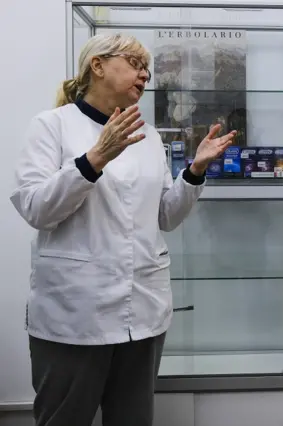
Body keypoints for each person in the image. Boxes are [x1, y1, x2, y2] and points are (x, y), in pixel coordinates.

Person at [9, 33, 236, 426]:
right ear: (97, 66)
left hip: (143, 311)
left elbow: (165, 215)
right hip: (75, 315)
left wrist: (195, 172)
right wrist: (94, 158)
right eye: (135, 63)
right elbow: (36, 208)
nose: (145, 74)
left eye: (147, 67)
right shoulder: (52, 127)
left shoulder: (147, 136)